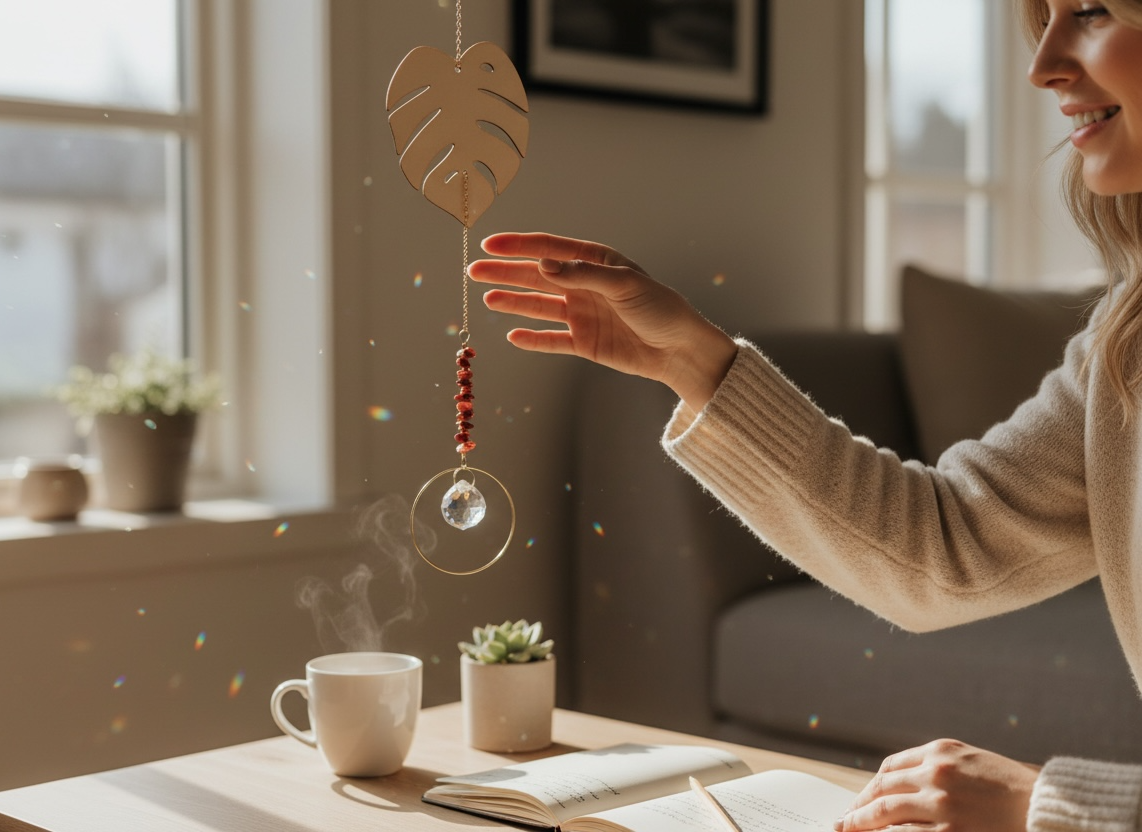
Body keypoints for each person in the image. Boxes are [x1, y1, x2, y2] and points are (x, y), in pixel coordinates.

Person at [468, 1, 1142, 829]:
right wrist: (694, 362)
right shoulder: (1124, 346)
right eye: (1043, 19)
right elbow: (946, 545)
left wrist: (1046, 804)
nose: (1043, 66)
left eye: (1094, 10)